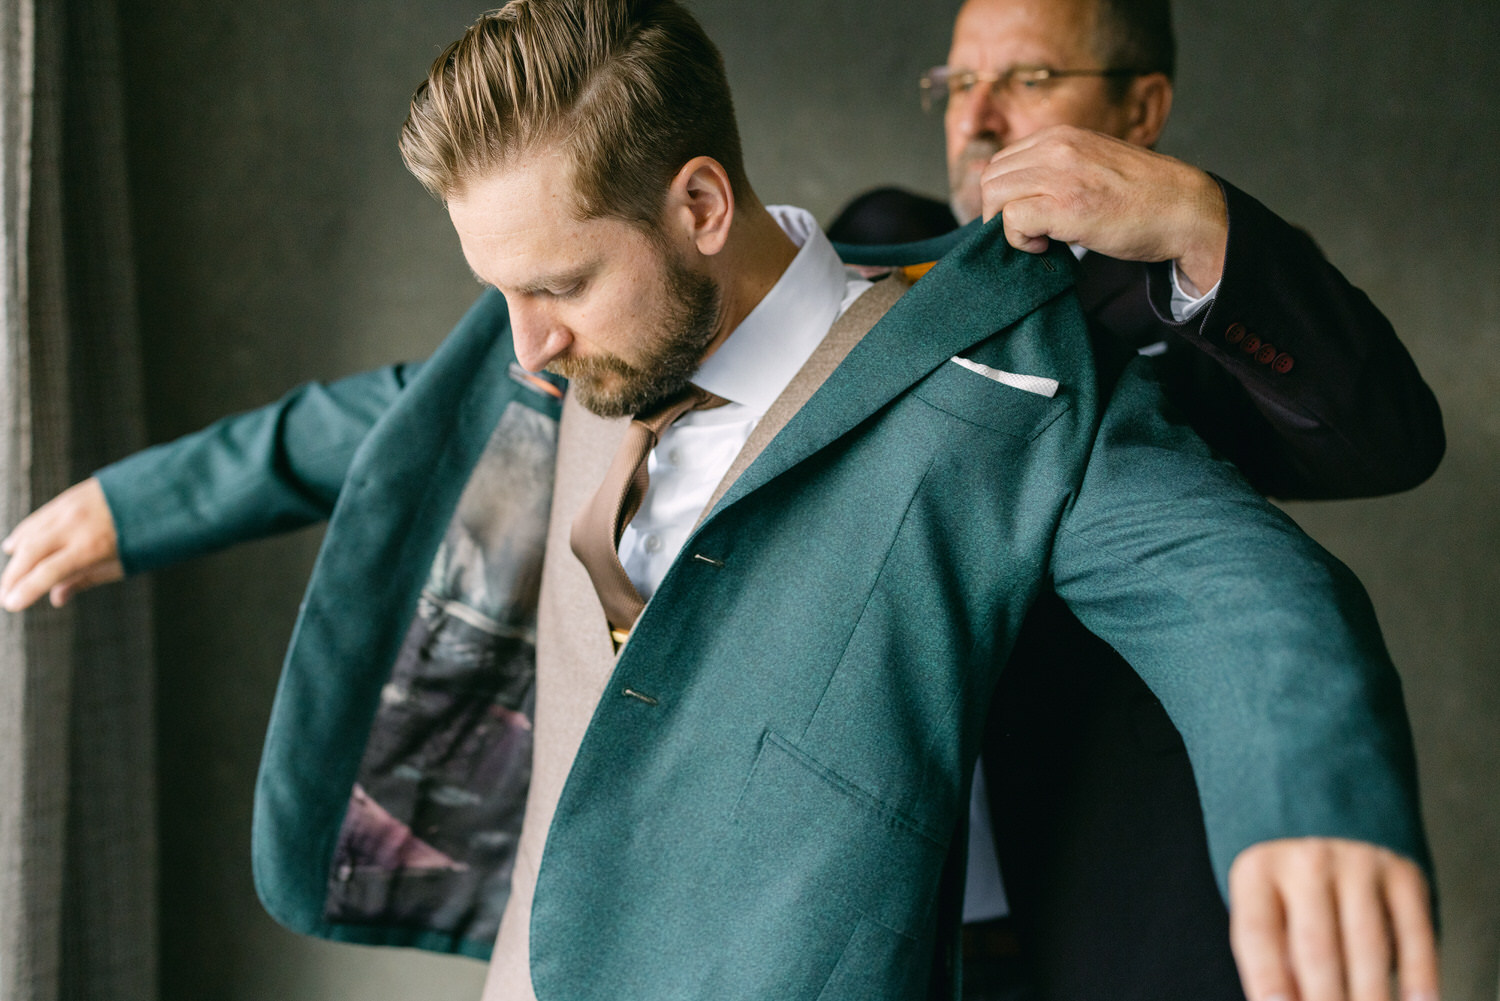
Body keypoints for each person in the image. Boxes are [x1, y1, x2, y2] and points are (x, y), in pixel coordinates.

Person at [0, 2, 1438, 1001]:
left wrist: (1312, 799)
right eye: (498, 291)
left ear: (697, 206)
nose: (524, 347)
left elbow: (1238, 586)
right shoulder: (566, 350)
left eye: (557, 285)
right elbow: (367, 420)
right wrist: (129, 507)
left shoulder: (996, 377)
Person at [826, 0, 1446, 997]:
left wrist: (1204, 225)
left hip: (1123, 898)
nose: (976, 116)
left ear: (1143, 108)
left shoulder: (1182, 299)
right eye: (956, 83)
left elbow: (1390, 438)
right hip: (884, 904)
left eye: (1026, 79)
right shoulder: (879, 252)